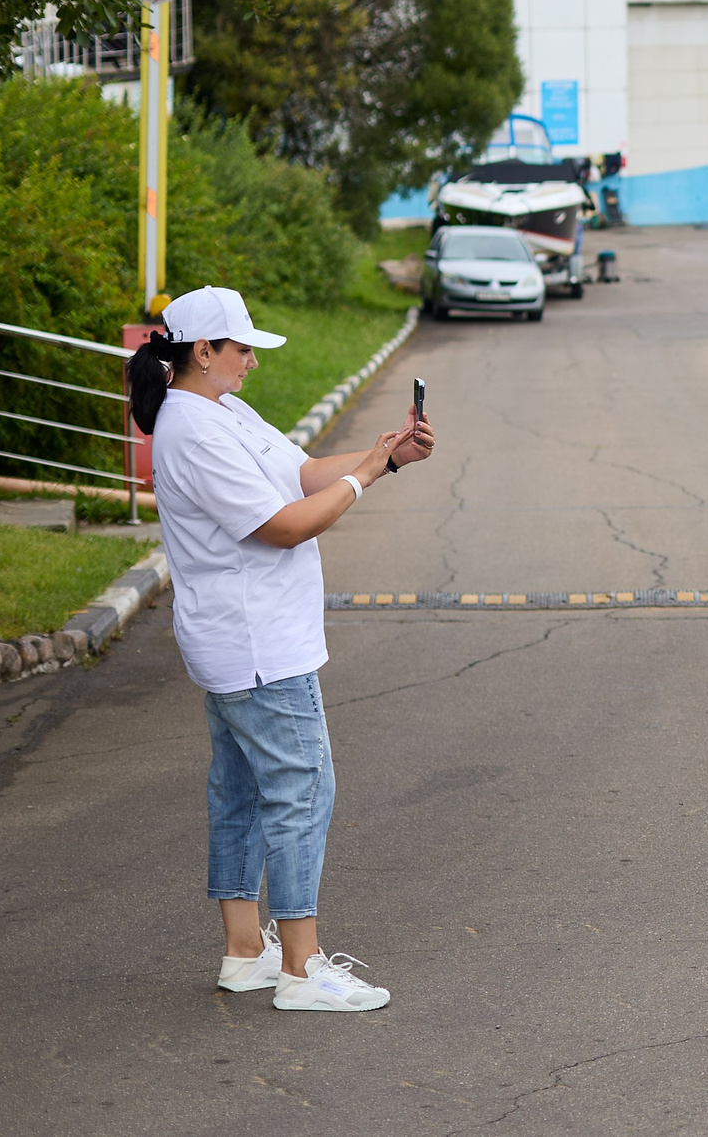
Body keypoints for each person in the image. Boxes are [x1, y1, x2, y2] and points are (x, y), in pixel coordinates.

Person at [130, 285, 435, 1013]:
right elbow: (285, 524)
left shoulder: (218, 409)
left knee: (240, 793)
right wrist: (365, 479)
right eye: (241, 349)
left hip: (245, 641)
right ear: (201, 352)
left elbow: (296, 474)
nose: (251, 363)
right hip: (259, 646)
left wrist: (383, 455)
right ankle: (301, 969)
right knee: (302, 791)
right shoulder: (193, 431)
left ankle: (244, 953)